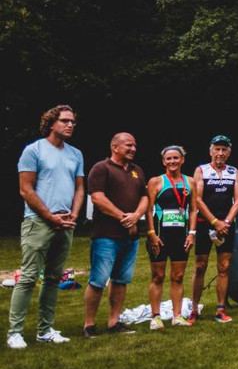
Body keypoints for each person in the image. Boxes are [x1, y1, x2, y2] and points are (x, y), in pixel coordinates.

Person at [10, 104, 83, 349]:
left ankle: (45, 330)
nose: (70, 125)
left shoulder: (76, 154)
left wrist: (73, 214)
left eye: (72, 121)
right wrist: (50, 217)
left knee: (53, 278)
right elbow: (26, 189)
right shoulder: (33, 150)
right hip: (39, 221)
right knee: (29, 277)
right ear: (51, 123)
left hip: (66, 222)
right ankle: (15, 333)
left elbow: (80, 187)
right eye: (65, 121)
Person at [83, 133, 148, 337]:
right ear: (115, 147)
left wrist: (136, 215)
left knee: (121, 280)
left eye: (135, 145)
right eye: (129, 145)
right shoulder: (101, 168)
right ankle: (89, 325)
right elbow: (97, 198)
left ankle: (114, 322)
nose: (133, 149)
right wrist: (122, 216)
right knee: (98, 280)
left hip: (131, 236)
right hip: (106, 235)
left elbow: (145, 197)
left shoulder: (137, 171)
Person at [145, 146, 198, 329]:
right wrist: (151, 234)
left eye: (176, 158)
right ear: (163, 162)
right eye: (168, 159)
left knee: (178, 276)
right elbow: (148, 209)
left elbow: (192, 209)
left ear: (182, 160)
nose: (172, 161)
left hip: (181, 236)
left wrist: (192, 233)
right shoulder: (156, 182)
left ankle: (177, 316)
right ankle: (156, 316)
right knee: (158, 276)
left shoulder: (190, 182)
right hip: (160, 236)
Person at [191, 135, 238, 324]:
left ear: (229, 152)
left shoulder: (233, 171)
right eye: (217, 149)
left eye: (224, 149)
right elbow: (197, 199)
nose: (220, 153)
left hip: (226, 225)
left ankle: (220, 309)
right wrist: (215, 222)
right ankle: (194, 309)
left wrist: (226, 222)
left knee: (224, 266)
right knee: (200, 265)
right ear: (210, 151)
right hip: (206, 223)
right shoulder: (201, 170)